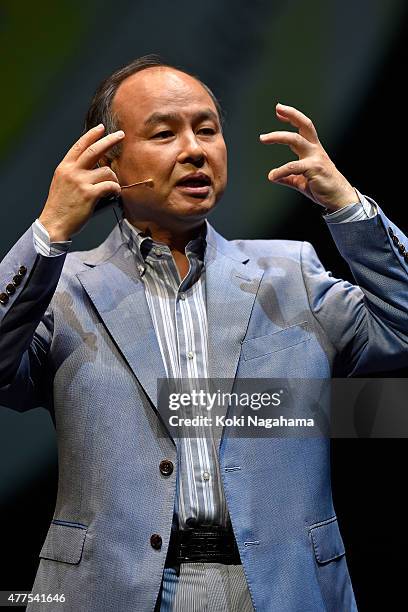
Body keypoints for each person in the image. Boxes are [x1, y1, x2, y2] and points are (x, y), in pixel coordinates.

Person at [0, 54, 407, 612]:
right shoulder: (61, 290)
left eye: (208, 130)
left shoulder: (290, 276)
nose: (195, 149)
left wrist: (349, 208)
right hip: (115, 589)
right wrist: (49, 230)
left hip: (275, 584)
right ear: (107, 160)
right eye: (164, 132)